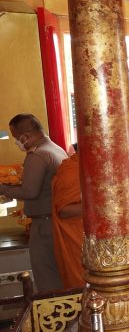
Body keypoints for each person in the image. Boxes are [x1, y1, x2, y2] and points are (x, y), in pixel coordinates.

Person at [0, 114, 67, 292]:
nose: (16, 142)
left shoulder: (38, 155)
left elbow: (30, 191)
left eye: (16, 138)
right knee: (58, 273)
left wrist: (3, 189)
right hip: (55, 221)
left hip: (44, 225)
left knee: (46, 276)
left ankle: (56, 318)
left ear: (25, 136)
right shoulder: (55, 148)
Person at [51, 144, 85, 289]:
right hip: (76, 236)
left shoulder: (91, 167)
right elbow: (64, 210)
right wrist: (101, 206)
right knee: (83, 284)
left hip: (97, 235)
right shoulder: (71, 170)